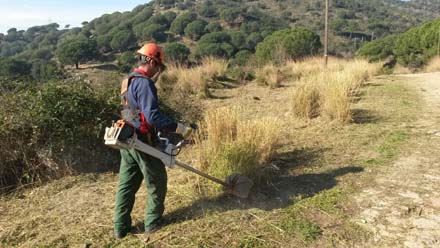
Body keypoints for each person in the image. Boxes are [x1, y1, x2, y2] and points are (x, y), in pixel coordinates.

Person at [114, 43, 192, 239]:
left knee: (127, 185)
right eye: (158, 66)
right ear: (150, 61)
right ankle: (153, 222)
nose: (158, 71)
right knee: (157, 181)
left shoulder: (127, 81)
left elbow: (133, 111)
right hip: (142, 141)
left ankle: (120, 228)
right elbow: (152, 117)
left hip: (126, 138)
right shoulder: (144, 83)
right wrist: (179, 128)